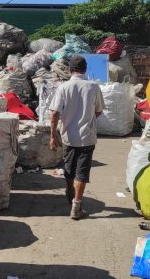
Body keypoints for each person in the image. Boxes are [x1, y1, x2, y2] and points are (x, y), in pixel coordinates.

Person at [49, 55, 104, 220]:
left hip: (68, 137)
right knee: (82, 172)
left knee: (69, 168)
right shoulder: (93, 87)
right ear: (85, 69)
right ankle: (77, 206)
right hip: (87, 137)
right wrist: (88, 116)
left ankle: (69, 191)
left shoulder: (63, 87)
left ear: (70, 70)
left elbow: (54, 113)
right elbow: (99, 110)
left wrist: (53, 135)